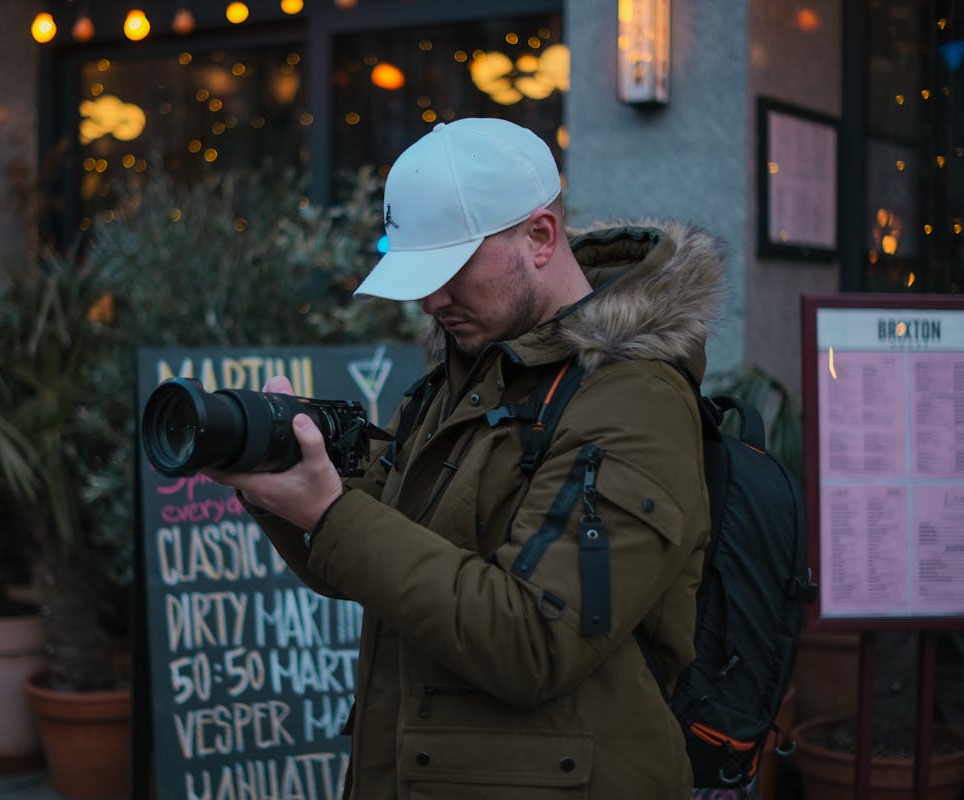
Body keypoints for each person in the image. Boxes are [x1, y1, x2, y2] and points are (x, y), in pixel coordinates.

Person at [207, 117, 725, 798]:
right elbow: (369, 563)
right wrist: (280, 482)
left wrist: (331, 513)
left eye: (450, 268)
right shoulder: (469, 375)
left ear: (540, 237)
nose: (431, 299)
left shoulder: (635, 400)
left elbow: (536, 642)